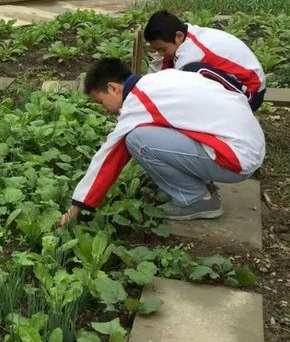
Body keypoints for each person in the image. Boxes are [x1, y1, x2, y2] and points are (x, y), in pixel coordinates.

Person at [59, 58, 265, 225]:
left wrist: (77, 208)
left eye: (101, 102)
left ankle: (196, 199)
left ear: (113, 88)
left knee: (137, 140)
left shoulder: (138, 101)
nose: (104, 109)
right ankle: (199, 187)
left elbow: (109, 156)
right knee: (148, 132)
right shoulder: (158, 80)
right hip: (248, 144)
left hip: (236, 160)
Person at [144, 10, 266, 111]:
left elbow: (178, 92)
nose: (161, 54)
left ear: (179, 36)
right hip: (240, 81)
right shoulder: (187, 34)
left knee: (192, 72)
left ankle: (231, 110)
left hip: (251, 94)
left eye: (163, 49)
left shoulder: (190, 54)